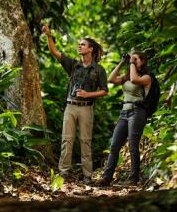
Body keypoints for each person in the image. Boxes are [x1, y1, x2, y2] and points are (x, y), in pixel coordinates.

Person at [42, 24, 108, 182]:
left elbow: (104, 91)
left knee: (85, 141)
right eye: (79, 44)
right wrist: (49, 36)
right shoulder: (73, 65)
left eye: (83, 44)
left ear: (91, 49)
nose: (79, 46)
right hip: (70, 106)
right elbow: (54, 52)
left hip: (86, 108)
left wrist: (88, 94)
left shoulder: (99, 70)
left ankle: (87, 176)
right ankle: (63, 173)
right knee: (67, 140)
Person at [99, 50, 151, 186]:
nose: (132, 61)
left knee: (133, 146)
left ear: (143, 62)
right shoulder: (127, 76)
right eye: (132, 59)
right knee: (114, 145)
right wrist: (122, 62)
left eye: (136, 59)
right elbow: (111, 79)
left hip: (137, 112)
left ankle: (134, 179)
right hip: (124, 113)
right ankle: (106, 178)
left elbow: (134, 80)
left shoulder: (146, 77)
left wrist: (131, 62)